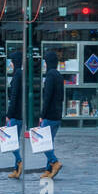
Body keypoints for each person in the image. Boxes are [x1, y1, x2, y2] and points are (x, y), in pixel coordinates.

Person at [38, 50, 63, 179]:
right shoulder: (59, 75)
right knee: (49, 143)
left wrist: (42, 114)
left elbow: (47, 98)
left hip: (49, 115)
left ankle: (54, 162)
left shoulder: (50, 76)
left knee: (43, 143)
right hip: (57, 115)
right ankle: (48, 170)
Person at [4, 49, 24, 178]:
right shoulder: (20, 74)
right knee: (14, 141)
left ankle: (19, 162)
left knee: (11, 142)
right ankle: (16, 170)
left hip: (15, 114)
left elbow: (14, 96)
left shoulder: (17, 75)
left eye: (11, 62)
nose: (10, 64)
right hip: (20, 114)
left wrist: (8, 114)